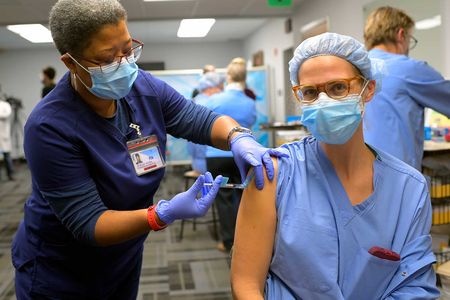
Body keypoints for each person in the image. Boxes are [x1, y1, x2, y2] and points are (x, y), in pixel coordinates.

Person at [11, 1, 285, 299]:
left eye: (128, 50)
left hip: (123, 256)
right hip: (61, 270)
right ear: (70, 62)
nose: (124, 64)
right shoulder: (49, 126)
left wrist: (236, 137)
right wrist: (162, 214)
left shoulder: (142, 86)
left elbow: (197, 118)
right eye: (108, 58)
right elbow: (89, 222)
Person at [231, 32, 439, 299]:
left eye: (338, 88)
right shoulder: (273, 173)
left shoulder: (408, 188)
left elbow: (414, 286)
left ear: (369, 89)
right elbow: (246, 284)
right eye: (310, 92)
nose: (324, 101)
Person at [363, 6, 450, 170]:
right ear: (401, 35)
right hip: (398, 179)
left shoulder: (354, 69)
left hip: (356, 178)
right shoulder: (409, 69)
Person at [205, 58, 256, 252]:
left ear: (227, 76)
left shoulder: (214, 100)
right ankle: (248, 240)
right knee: (246, 197)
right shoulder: (250, 102)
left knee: (224, 198)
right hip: (243, 156)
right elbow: (250, 122)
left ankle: (228, 241)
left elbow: (206, 126)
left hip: (217, 157)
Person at [187, 72, 224, 174]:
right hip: (208, 159)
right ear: (210, 87)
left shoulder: (194, 101)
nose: (221, 90)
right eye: (219, 87)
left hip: (196, 159)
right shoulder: (211, 103)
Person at [0, 98, 14, 180]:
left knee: (7, 156)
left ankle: (10, 174)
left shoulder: (5, 105)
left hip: (3, 134)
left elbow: (7, 114)